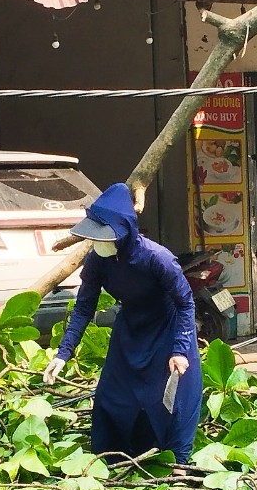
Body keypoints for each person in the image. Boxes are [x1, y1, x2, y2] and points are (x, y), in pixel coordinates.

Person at [43, 183, 202, 463]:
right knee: (113, 396)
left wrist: (179, 349)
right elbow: (83, 307)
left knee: (171, 399)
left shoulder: (157, 258)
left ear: (124, 232)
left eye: (105, 237)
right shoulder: (97, 261)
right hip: (130, 328)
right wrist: (63, 353)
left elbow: (186, 303)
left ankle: (177, 463)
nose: (99, 243)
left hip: (167, 329)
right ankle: (114, 459)